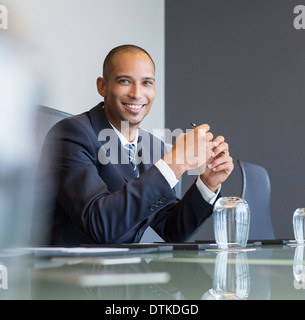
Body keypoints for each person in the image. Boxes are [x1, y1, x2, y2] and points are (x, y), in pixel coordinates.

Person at [38, 44, 234, 246]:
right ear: (102, 86)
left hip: (125, 271)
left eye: (147, 83)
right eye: (125, 81)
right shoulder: (71, 134)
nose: (137, 93)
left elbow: (171, 229)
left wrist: (207, 184)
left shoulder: (152, 145)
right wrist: (176, 162)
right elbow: (100, 224)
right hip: (69, 272)